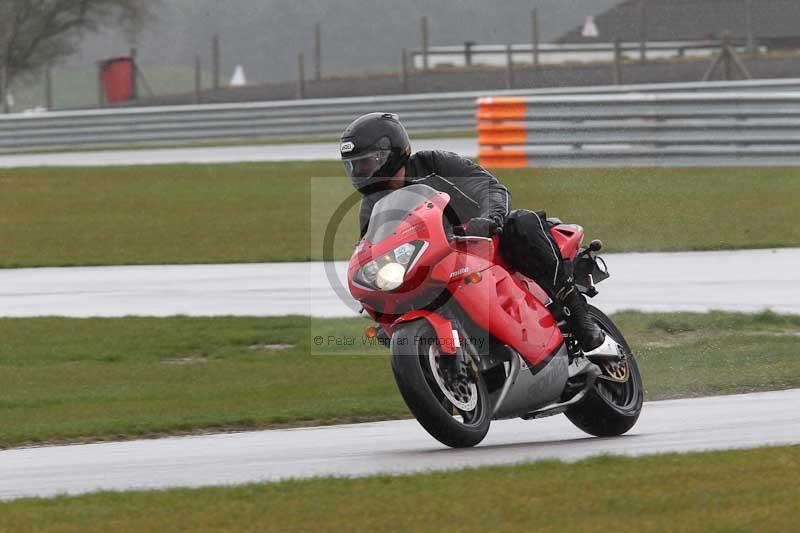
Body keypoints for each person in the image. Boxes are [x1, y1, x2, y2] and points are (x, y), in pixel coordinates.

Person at [340, 112, 605, 353]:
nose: (360, 172)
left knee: (522, 223)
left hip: (485, 242)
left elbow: (490, 188)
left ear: (391, 152)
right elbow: (374, 248)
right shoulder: (372, 206)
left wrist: (489, 219)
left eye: (365, 163)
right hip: (436, 265)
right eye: (354, 166)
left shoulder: (435, 164)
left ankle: (579, 317)